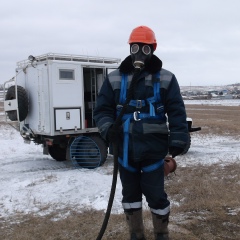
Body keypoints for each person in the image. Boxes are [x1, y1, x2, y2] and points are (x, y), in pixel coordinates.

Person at [93, 26, 188, 240]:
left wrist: (179, 139)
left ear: (152, 49)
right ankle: (136, 234)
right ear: (130, 48)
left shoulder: (166, 78)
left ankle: (161, 234)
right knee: (130, 195)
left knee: (156, 195)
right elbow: (102, 110)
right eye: (135, 47)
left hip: (154, 150)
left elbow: (176, 111)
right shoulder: (115, 78)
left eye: (145, 49)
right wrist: (108, 129)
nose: (139, 53)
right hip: (124, 149)